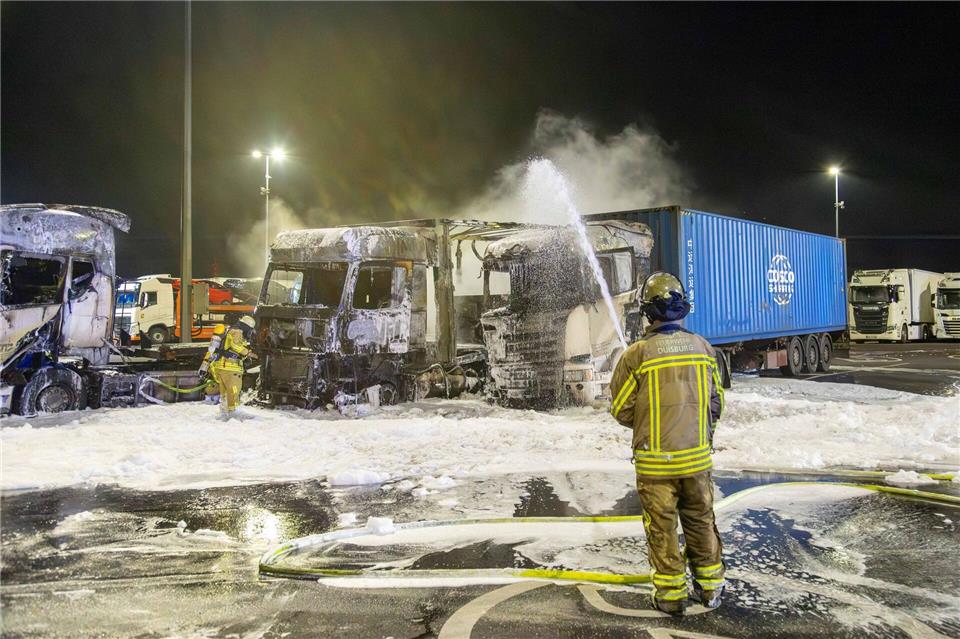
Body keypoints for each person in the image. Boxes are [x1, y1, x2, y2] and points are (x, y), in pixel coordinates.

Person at [609, 272, 725, 616]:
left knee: (662, 530)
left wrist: (649, 421)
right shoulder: (703, 348)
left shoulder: (637, 354)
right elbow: (716, 403)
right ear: (682, 307)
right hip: (697, 462)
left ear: (648, 312)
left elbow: (621, 408)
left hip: (656, 466)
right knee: (701, 522)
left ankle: (671, 596)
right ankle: (710, 588)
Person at [198, 315, 257, 418]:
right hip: (231, 368)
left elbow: (228, 348)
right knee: (234, 390)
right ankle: (234, 412)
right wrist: (248, 353)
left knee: (225, 392)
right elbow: (235, 345)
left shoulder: (230, 331)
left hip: (222, 367)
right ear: (247, 326)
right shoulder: (238, 332)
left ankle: (224, 412)